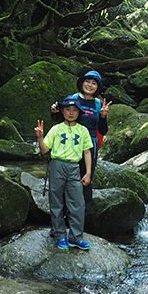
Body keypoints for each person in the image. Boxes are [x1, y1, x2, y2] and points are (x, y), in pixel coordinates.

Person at [36, 96, 93, 251]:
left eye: (74, 110)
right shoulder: (56, 129)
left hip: (74, 167)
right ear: (62, 111)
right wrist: (40, 138)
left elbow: (87, 152)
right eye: (67, 109)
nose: (71, 113)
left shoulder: (83, 131)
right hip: (57, 165)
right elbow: (44, 150)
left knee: (78, 203)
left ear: (79, 113)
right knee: (56, 201)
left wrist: (88, 173)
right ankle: (60, 235)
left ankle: (76, 237)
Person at [50, 69, 108, 213]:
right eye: (87, 81)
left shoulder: (99, 104)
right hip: (69, 143)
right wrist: (54, 112)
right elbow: (60, 120)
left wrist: (103, 116)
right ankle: (63, 215)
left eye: (94, 83)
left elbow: (103, 130)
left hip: (89, 147)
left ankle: (83, 216)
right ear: (82, 83)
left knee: (85, 180)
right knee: (65, 180)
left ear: (97, 87)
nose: (90, 85)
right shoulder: (73, 98)